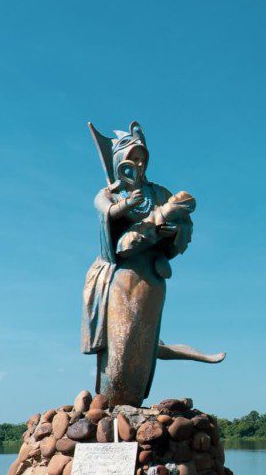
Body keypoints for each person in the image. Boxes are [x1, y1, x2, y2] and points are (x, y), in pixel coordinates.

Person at [82, 121, 224, 407]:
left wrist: (175, 230)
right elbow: (108, 218)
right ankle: (110, 406)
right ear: (119, 161)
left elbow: (185, 225)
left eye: (142, 158)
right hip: (120, 275)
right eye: (131, 157)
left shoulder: (158, 192)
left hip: (153, 274)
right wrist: (126, 204)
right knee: (120, 342)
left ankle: (132, 405)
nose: (138, 163)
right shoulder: (110, 192)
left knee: (144, 343)